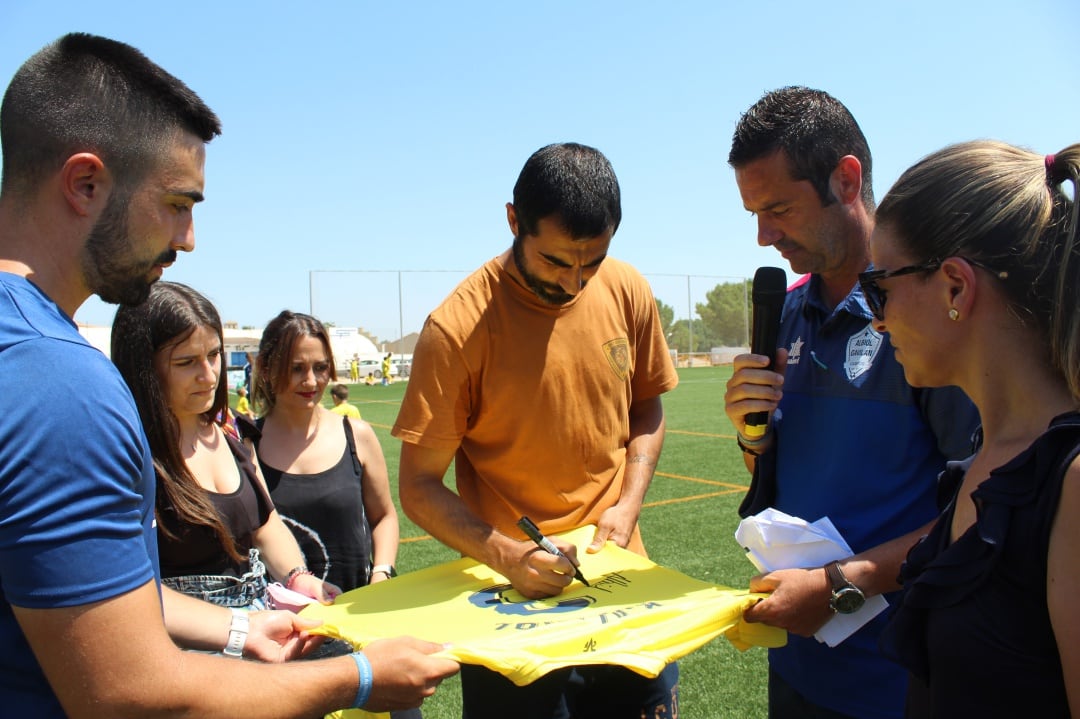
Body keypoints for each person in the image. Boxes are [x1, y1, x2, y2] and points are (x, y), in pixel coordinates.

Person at [0, 33, 457, 717]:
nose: (189, 239)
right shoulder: (64, 386)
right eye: (179, 204)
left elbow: (77, 590)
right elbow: (127, 694)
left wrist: (241, 626)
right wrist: (359, 678)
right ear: (85, 183)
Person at [393, 142, 680, 719]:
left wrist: (628, 504)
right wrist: (507, 555)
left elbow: (646, 408)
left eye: (591, 261)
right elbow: (419, 485)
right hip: (511, 609)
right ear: (513, 221)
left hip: (624, 588)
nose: (575, 283)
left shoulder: (627, 289)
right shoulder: (457, 328)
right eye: (555, 262)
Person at [722, 86, 980, 719]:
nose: (763, 236)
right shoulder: (782, 317)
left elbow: (982, 504)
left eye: (778, 208)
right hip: (800, 661)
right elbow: (778, 479)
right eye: (754, 213)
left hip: (898, 680)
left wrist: (840, 586)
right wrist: (752, 434)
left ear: (845, 179)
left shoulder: (928, 317)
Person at [865, 141, 1080, 716]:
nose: (877, 319)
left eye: (879, 288)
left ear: (955, 287)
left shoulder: (1072, 483)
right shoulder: (990, 459)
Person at [111, 282, 339, 611]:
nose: (209, 375)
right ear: (144, 366)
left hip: (257, 618)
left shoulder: (229, 428)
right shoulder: (125, 449)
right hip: (189, 646)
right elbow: (128, 594)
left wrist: (297, 578)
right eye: (186, 362)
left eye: (214, 355)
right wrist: (237, 630)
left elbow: (265, 524)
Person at [245, 310, 403, 595]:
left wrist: (381, 573)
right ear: (266, 370)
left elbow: (384, 517)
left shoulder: (357, 435)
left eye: (320, 367)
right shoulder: (247, 445)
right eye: (296, 368)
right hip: (281, 624)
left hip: (357, 614)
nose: (311, 381)